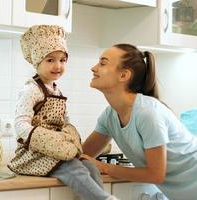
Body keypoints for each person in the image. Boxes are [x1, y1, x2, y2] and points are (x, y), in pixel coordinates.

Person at [81, 43, 197, 200]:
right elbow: (82, 154)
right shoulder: (110, 116)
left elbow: (156, 174)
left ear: (124, 75)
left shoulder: (147, 113)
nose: (94, 68)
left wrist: (104, 167)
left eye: (102, 63)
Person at [7, 25, 118, 200]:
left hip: (57, 151)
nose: (58, 65)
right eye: (50, 60)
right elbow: (20, 125)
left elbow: (64, 121)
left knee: (89, 166)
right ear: (37, 60)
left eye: (62, 60)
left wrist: (67, 138)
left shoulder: (56, 90)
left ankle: (100, 196)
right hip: (36, 154)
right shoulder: (31, 90)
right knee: (74, 169)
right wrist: (47, 140)